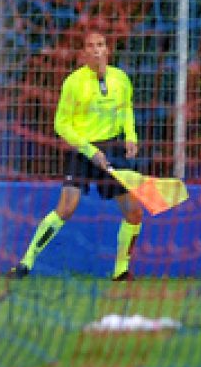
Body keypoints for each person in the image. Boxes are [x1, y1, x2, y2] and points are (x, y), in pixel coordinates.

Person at [8, 28, 143, 281]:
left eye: (100, 45)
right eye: (91, 46)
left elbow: (126, 109)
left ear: (107, 50)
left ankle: (121, 271)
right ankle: (25, 263)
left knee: (134, 212)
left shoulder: (121, 79)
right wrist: (90, 151)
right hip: (84, 151)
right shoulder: (73, 82)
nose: (96, 50)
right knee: (66, 208)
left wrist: (131, 137)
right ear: (83, 53)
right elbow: (61, 124)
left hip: (113, 152)